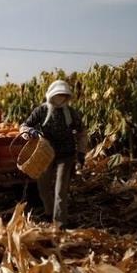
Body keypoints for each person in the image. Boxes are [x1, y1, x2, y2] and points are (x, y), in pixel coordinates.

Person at [19, 80, 88, 227]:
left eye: (63, 95)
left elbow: (82, 133)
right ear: (51, 95)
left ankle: (60, 223)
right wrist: (29, 132)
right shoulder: (41, 111)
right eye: (58, 95)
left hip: (66, 154)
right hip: (45, 153)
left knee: (60, 190)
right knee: (43, 188)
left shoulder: (71, 113)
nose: (60, 98)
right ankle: (49, 213)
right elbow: (24, 126)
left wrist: (81, 154)